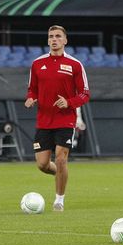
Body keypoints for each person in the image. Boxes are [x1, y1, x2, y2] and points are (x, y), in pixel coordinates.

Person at [25, 25, 90, 212]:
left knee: (61, 159)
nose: (54, 39)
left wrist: (69, 103)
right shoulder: (37, 64)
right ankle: (59, 174)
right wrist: (30, 98)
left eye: (58, 36)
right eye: (51, 36)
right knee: (42, 164)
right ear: (48, 40)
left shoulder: (75, 65)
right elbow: (32, 89)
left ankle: (59, 200)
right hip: (44, 121)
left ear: (65, 40)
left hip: (65, 120)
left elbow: (85, 94)